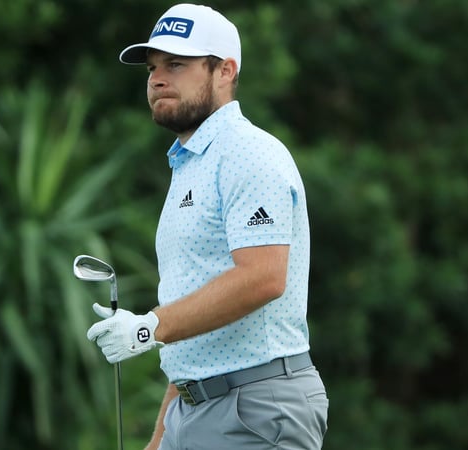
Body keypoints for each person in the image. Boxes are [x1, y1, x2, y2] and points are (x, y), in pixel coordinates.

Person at [86, 3, 329, 449]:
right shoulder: (191, 164)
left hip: (256, 407)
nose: (157, 78)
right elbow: (197, 326)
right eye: (153, 67)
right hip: (194, 409)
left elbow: (264, 277)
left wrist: (147, 327)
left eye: (176, 65)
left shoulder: (249, 152)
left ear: (225, 71)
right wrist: (161, 438)